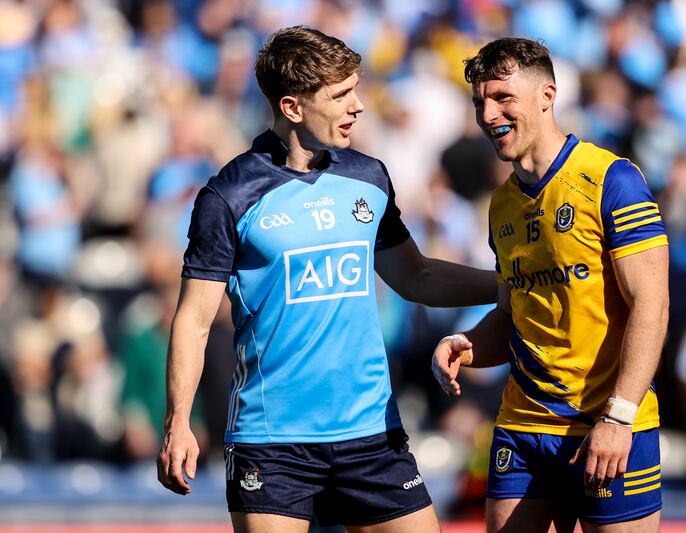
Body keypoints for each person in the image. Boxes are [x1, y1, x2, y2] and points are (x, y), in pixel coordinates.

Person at [155, 26, 496, 533]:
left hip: (372, 433)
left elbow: (417, 276)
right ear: (292, 107)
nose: (358, 105)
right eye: (340, 95)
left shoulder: (368, 177)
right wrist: (178, 421)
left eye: (355, 88)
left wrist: (511, 283)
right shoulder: (229, 195)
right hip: (273, 442)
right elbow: (194, 320)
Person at [431, 38, 670, 532]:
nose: (488, 113)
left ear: (547, 95)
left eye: (503, 97)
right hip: (523, 425)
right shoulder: (501, 205)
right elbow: (511, 313)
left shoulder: (611, 179)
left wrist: (619, 416)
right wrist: (468, 345)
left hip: (607, 424)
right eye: (480, 101)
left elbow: (653, 305)